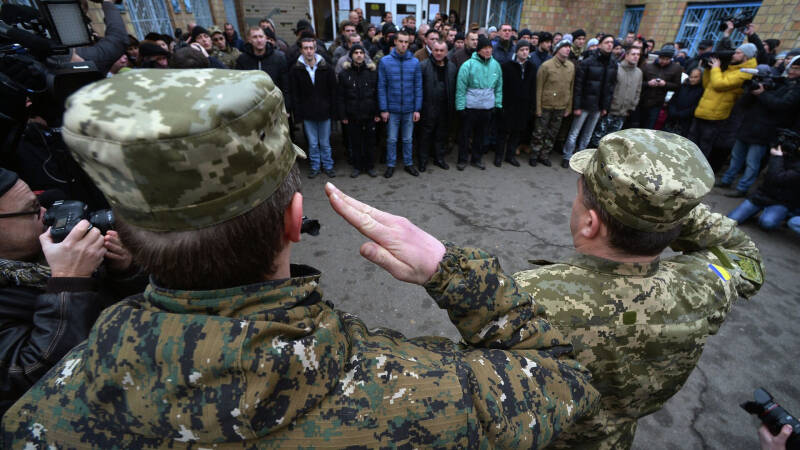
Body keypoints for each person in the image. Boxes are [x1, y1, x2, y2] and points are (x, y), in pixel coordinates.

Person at [1, 68, 600, 448]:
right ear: (295, 220)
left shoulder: (37, 421)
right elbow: (569, 380)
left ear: (122, 233)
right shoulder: (440, 397)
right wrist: (449, 270)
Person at [514, 129, 764, 449]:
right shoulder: (705, 287)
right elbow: (743, 258)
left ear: (590, 223)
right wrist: (665, 211)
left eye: (579, 196)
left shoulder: (528, 298)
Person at [0, 168, 144, 416]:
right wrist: (69, 282)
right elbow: (26, 377)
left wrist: (125, 271)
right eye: (35, 210)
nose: (47, 214)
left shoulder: (48, 250)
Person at [715, 59, 800, 197]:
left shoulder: (794, 89)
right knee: (736, 157)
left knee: (752, 163)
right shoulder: (778, 82)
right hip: (748, 126)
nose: (792, 71)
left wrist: (762, 93)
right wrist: (753, 90)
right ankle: (726, 180)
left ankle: (742, 188)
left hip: (765, 131)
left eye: (797, 69)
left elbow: (781, 106)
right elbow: (743, 104)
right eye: (792, 68)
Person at [689, 34, 757, 157]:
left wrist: (715, 68)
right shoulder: (728, 68)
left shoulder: (745, 73)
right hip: (701, 112)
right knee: (691, 143)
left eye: (738, 53)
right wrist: (709, 70)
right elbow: (707, 85)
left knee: (703, 147)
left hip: (715, 116)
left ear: (746, 56)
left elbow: (719, 84)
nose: (733, 55)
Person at [562, 35, 617, 168]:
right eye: (607, 42)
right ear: (599, 45)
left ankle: (581, 157)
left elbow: (610, 88)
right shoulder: (588, 62)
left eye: (611, 43)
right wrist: (577, 106)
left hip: (598, 106)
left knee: (588, 134)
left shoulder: (613, 64)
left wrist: (605, 107)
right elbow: (578, 86)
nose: (610, 45)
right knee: (574, 132)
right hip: (584, 104)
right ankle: (567, 156)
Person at [377, 30, 422, 178]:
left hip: (409, 108)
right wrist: (383, 109)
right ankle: (391, 165)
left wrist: (417, 109)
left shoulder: (415, 62)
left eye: (406, 42)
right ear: (395, 42)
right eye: (401, 41)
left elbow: (418, 87)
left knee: (408, 139)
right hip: (392, 108)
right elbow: (381, 86)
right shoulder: (385, 62)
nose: (403, 45)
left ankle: (408, 163)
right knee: (391, 139)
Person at [290, 38, 337, 178]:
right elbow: (295, 93)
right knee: (313, 143)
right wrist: (298, 114)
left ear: (316, 49)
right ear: (301, 50)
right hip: (308, 113)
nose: (309, 51)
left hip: (324, 112)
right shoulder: (296, 69)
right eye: (305, 48)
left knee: (325, 142)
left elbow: (333, 91)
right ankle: (315, 166)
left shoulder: (326, 67)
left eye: (311, 47)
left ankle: (328, 165)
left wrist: (333, 111)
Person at [455, 35, 502, 171]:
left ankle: (477, 159)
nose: (488, 51)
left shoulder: (496, 65)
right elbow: (461, 88)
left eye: (490, 48)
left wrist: (497, 104)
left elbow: (499, 87)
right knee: (465, 135)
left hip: (487, 108)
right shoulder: (468, 65)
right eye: (484, 48)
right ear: (478, 50)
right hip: (470, 108)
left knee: (481, 136)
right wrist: (460, 107)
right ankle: (462, 160)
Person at [727, 141, 800, 229]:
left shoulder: (780, 158)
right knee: (732, 218)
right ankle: (751, 212)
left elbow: (777, 178)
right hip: (762, 195)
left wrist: (777, 157)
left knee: (767, 223)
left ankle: (776, 215)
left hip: (781, 202)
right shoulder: (782, 156)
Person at [337, 44, 380, 178]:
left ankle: (370, 166)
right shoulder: (344, 74)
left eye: (361, 52)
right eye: (356, 52)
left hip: (369, 113)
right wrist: (343, 114)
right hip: (352, 114)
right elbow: (341, 96)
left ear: (365, 55)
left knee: (369, 142)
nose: (359, 55)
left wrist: (378, 112)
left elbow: (377, 94)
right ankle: (357, 166)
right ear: (351, 56)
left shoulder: (372, 73)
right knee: (355, 142)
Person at [530, 38, 574, 167]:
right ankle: (534, 154)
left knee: (552, 132)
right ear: (557, 49)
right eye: (564, 47)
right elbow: (539, 88)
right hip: (545, 104)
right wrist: (538, 107)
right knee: (539, 131)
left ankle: (544, 154)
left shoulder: (570, 67)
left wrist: (568, 107)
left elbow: (571, 88)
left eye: (569, 47)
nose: (567, 49)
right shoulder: (546, 66)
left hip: (561, 105)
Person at [589, 46, 641, 146]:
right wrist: (606, 106)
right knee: (598, 137)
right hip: (610, 111)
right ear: (626, 55)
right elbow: (608, 89)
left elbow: (638, 91)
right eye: (633, 54)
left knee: (612, 141)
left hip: (623, 113)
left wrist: (631, 107)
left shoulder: (639, 72)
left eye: (638, 54)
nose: (636, 57)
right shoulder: (617, 68)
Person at [495, 39, 535, 168]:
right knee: (503, 132)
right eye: (522, 50)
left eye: (527, 50)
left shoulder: (532, 67)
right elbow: (501, 86)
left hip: (523, 106)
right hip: (509, 105)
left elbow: (533, 87)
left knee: (516, 133)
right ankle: (499, 156)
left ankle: (510, 156)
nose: (524, 52)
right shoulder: (507, 66)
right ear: (516, 51)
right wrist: (501, 104)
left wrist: (531, 105)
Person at [418, 41, 457, 171]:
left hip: (445, 108)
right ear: (432, 50)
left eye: (441, 50)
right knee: (425, 136)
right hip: (428, 108)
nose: (439, 53)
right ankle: (422, 161)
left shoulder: (451, 67)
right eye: (436, 50)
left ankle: (439, 158)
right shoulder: (423, 66)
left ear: (446, 52)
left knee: (441, 135)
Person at [235, 26, 290, 109]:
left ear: (266, 38)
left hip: (275, 104)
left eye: (261, 36)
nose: (259, 40)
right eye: (255, 37)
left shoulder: (279, 57)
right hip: (252, 106)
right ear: (249, 40)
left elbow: (286, 84)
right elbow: (239, 85)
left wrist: (287, 106)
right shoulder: (242, 60)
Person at [639, 44, 683, 129]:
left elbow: (677, 86)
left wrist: (665, 84)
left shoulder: (676, 68)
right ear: (658, 57)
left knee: (649, 127)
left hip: (657, 103)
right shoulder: (648, 66)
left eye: (667, 59)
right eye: (662, 58)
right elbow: (638, 83)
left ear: (671, 59)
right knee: (637, 124)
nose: (664, 61)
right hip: (643, 100)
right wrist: (648, 83)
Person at [664, 67, 704, 137]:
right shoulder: (683, 86)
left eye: (696, 77)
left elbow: (695, 106)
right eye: (691, 77)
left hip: (685, 122)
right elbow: (673, 99)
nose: (692, 79)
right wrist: (672, 111)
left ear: (700, 78)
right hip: (672, 118)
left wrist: (681, 114)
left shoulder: (701, 90)